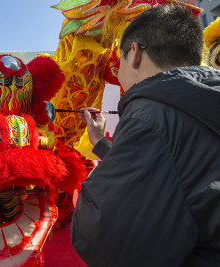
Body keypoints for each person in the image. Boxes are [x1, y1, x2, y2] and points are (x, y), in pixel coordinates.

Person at [72, 4, 220, 267]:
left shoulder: (151, 111)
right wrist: (100, 142)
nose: (117, 72)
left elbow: (105, 240)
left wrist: (93, 183)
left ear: (136, 52)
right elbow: (179, 166)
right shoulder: (201, 99)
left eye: (119, 63)